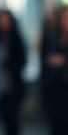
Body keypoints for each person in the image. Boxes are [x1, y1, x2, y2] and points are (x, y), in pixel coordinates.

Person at [0, 10, 26, 135]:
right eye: (1, 21)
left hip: (13, 85)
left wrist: (7, 62)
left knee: (13, 121)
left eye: (6, 21)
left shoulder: (17, 39)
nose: (4, 23)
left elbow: (22, 61)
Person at [40, 7, 68, 135]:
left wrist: (64, 60)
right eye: (64, 18)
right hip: (54, 89)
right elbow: (45, 58)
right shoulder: (53, 36)